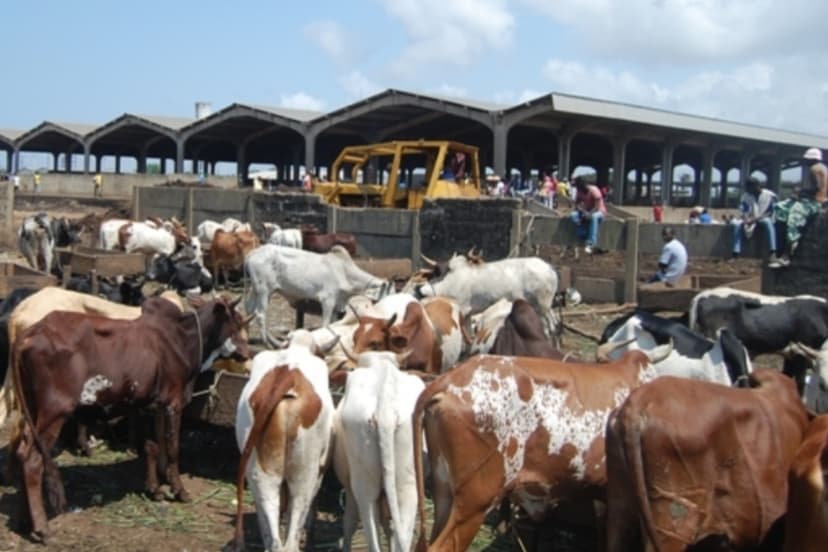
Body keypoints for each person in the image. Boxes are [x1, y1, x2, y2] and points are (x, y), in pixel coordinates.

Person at [773, 147, 826, 266]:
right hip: (814, 199)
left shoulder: (815, 168)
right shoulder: (822, 168)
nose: (805, 161)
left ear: (812, 159)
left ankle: (787, 254)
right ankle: (780, 250)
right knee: (781, 206)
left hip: (812, 202)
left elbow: (817, 187)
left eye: (807, 159)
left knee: (793, 220)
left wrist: (802, 192)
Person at [730, 177, 779, 267]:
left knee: (768, 223)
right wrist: (746, 219)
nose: (748, 190)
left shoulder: (769, 195)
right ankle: (735, 253)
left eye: (749, 187)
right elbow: (744, 209)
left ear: (756, 186)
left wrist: (754, 220)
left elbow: (770, 212)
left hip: (763, 217)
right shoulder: (745, 196)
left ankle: (772, 252)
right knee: (737, 225)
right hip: (750, 218)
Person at [569, 176, 606, 255]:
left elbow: (597, 206)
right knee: (573, 215)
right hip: (586, 211)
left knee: (594, 217)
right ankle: (582, 233)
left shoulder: (594, 190)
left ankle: (591, 243)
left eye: (579, 186)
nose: (578, 188)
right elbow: (577, 204)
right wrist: (582, 211)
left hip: (599, 211)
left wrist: (589, 214)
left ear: (583, 185)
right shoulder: (580, 191)